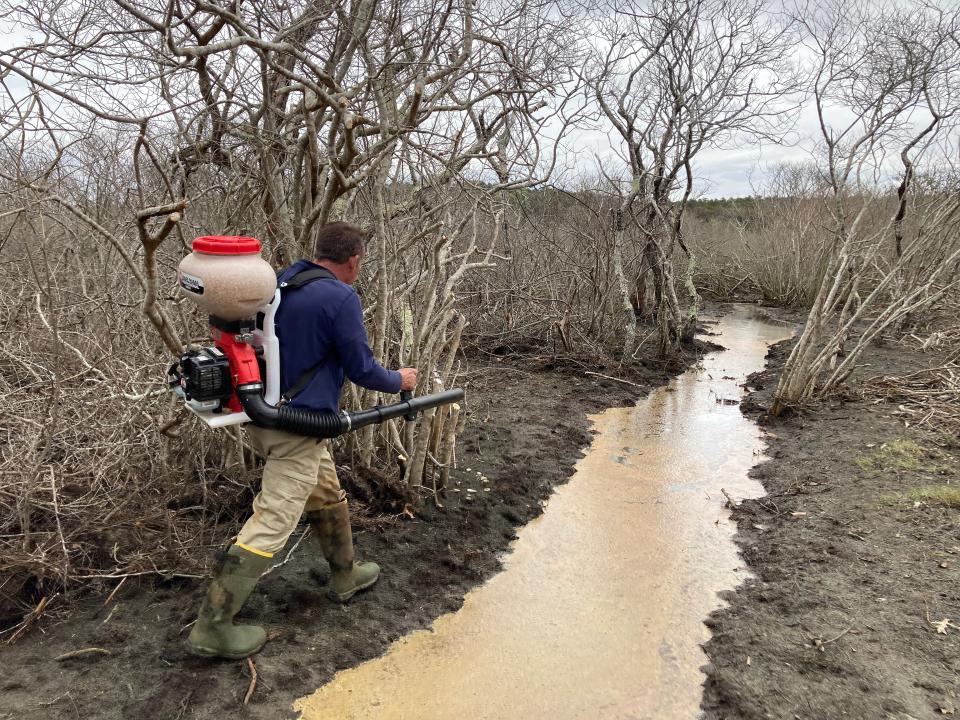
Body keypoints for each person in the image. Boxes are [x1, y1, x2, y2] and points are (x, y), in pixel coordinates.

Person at [187, 222, 417, 659]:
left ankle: (345, 576)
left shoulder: (280, 280)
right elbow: (362, 368)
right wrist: (399, 379)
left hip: (263, 414)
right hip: (295, 426)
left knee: (326, 488)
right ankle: (212, 627)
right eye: (359, 264)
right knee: (273, 521)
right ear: (354, 260)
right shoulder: (340, 296)